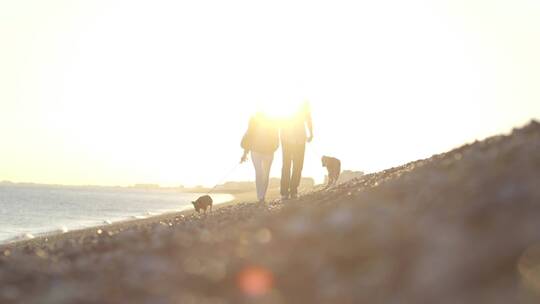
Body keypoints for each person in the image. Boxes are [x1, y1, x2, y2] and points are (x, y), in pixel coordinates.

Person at [240, 112, 279, 203]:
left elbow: (276, 137)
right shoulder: (253, 120)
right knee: (259, 172)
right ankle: (260, 196)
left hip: (268, 152)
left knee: (266, 174)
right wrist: (245, 154)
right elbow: (249, 137)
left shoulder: (272, 120)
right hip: (255, 151)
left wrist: (275, 147)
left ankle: (263, 195)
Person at [280, 102, 313, 200]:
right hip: (288, 140)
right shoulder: (289, 106)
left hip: (298, 140)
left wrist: (311, 133)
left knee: (296, 166)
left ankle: (291, 190)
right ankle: (286, 191)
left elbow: (309, 120)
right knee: (289, 165)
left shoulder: (303, 106)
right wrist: (311, 134)